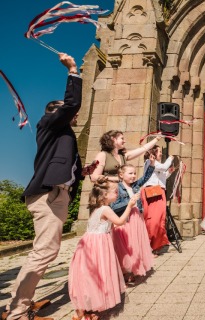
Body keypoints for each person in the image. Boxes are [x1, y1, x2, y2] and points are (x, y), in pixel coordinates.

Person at [5, 53, 82, 320]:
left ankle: (14, 305)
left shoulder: (63, 134)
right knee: (45, 251)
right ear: (54, 112)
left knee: (43, 251)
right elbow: (71, 104)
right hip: (48, 196)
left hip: (58, 195)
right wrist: (72, 70)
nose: (74, 116)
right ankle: (17, 312)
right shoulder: (48, 123)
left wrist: (82, 171)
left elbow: (64, 163)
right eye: (66, 112)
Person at [68, 180, 138, 320]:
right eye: (115, 191)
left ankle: (84, 310)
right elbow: (119, 222)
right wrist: (130, 206)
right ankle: (83, 311)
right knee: (98, 274)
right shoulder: (106, 209)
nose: (117, 193)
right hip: (98, 246)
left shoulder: (97, 209)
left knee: (89, 275)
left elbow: (108, 226)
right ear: (105, 195)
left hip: (89, 243)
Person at [110, 159, 155, 283]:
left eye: (134, 173)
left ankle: (134, 269)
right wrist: (129, 202)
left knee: (137, 245)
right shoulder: (117, 188)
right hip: (125, 219)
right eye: (130, 173)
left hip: (136, 218)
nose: (134, 176)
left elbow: (145, 177)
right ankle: (126, 271)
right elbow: (113, 206)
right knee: (126, 246)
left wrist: (152, 163)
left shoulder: (135, 185)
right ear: (121, 175)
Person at [140, 145, 176, 254]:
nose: (161, 153)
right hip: (152, 193)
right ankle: (148, 245)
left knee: (160, 220)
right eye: (159, 151)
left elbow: (162, 175)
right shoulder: (149, 162)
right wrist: (170, 158)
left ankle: (156, 246)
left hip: (160, 192)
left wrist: (169, 172)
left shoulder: (158, 165)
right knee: (153, 220)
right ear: (154, 152)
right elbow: (163, 167)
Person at [90, 131, 160, 183]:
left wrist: (157, 139)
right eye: (122, 139)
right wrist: (116, 178)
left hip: (120, 194)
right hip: (106, 194)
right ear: (113, 139)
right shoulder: (102, 155)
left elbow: (143, 149)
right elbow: (94, 177)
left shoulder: (123, 156)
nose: (124, 141)